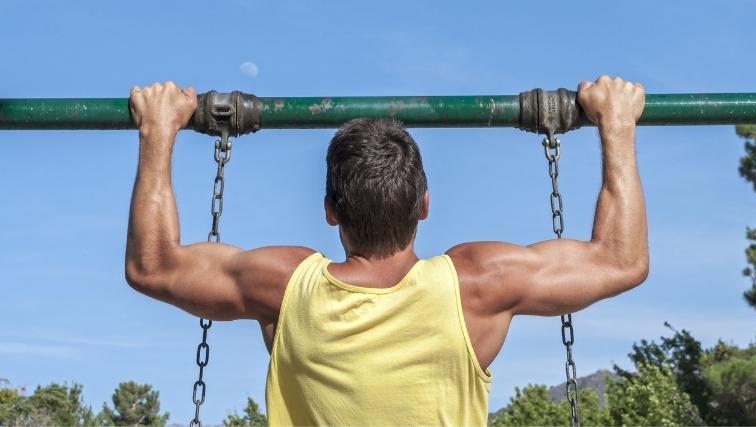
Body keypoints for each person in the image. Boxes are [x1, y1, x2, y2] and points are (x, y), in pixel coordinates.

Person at [126, 76, 648, 426]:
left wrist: (158, 129)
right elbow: (620, 261)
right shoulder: (477, 283)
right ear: (423, 204)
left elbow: (153, 267)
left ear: (331, 209)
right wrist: (617, 123)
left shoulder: (285, 285)